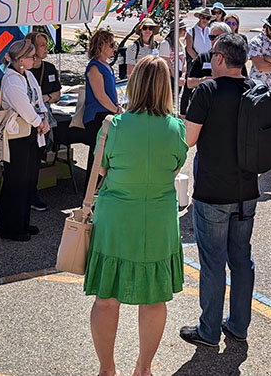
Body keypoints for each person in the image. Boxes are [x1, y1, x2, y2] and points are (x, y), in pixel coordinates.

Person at [84, 56, 188, 376]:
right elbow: (175, 167)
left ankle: (107, 369)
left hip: (116, 218)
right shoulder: (175, 128)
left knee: (106, 299)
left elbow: (100, 170)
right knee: (154, 300)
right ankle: (143, 368)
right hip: (157, 219)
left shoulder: (113, 125)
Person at [180, 33, 263, 347]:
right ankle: (239, 325)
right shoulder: (257, 90)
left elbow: (188, 139)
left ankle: (209, 330)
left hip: (213, 190)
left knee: (213, 262)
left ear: (218, 58)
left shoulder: (208, 90)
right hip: (247, 190)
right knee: (242, 259)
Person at [0, 40, 50, 242]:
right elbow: (23, 106)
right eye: (31, 56)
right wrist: (39, 122)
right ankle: (11, 227)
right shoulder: (11, 79)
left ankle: (23, 222)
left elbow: (37, 98)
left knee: (27, 180)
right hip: (17, 135)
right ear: (20, 60)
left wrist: (43, 118)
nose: (34, 59)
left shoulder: (27, 75)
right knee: (15, 181)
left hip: (30, 133)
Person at [25, 31, 61, 213]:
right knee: (26, 161)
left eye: (46, 45)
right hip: (26, 122)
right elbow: (0, 91)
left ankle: (32, 193)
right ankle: (25, 194)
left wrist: (45, 98)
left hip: (44, 119)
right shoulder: (22, 70)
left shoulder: (50, 68)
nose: (46, 48)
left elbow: (57, 93)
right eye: (41, 45)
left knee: (38, 157)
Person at [83, 30, 124, 190]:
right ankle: (90, 191)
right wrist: (116, 109)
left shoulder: (106, 65)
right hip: (97, 116)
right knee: (97, 155)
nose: (114, 48)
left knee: (107, 155)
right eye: (111, 45)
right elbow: (100, 95)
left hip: (108, 113)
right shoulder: (94, 67)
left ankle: (101, 189)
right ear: (101, 46)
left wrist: (117, 106)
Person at [159, 20, 187, 90]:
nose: (185, 32)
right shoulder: (165, 43)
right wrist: (175, 77)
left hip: (179, 74)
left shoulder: (181, 45)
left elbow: (184, 61)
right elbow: (166, 62)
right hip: (169, 75)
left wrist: (183, 76)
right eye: (183, 29)